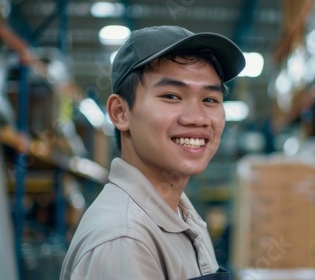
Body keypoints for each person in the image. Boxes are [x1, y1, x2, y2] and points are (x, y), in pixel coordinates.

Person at [59, 25, 245, 279]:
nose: (197, 118)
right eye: (171, 96)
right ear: (120, 113)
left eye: (210, 100)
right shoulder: (124, 240)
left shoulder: (183, 218)